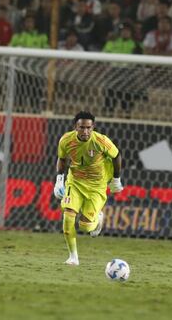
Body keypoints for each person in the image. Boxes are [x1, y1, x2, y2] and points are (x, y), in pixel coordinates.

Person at [53, 111, 124, 266]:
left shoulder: (101, 141)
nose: (85, 131)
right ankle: (73, 257)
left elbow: (117, 156)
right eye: (82, 127)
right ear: (75, 127)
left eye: (88, 128)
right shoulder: (66, 140)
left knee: (85, 227)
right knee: (68, 216)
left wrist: (116, 179)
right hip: (75, 182)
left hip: (96, 186)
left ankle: (98, 217)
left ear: (93, 127)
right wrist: (59, 179)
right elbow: (62, 158)